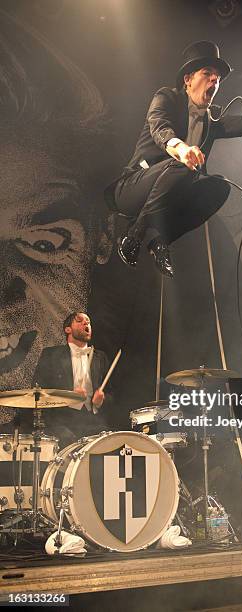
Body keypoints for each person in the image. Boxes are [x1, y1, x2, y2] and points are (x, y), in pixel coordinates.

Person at [106, 40, 242, 277]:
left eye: (218, 77)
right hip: (132, 188)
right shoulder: (167, 97)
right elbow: (159, 127)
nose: (215, 80)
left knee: (218, 186)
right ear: (188, 79)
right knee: (187, 163)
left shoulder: (213, 118)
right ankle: (134, 234)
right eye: (207, 73)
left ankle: (160, 242)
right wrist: (182, 149)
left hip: (169, 196)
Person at [0, 11, 114, 425]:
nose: (2, 293)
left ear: (102, 238)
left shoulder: (94, 358)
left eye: (45, 243)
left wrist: (95, 400)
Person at [31, 312, 111, 442]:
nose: (86, 323)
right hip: (63, 421)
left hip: (94, 420)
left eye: (88, 321)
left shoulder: (100, 357)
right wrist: (69, 396)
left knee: (108, 445)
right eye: (79, 320)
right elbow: (39, 391)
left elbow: (114, 393)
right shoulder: (51, 354)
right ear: (68, 329)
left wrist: (102, 400)